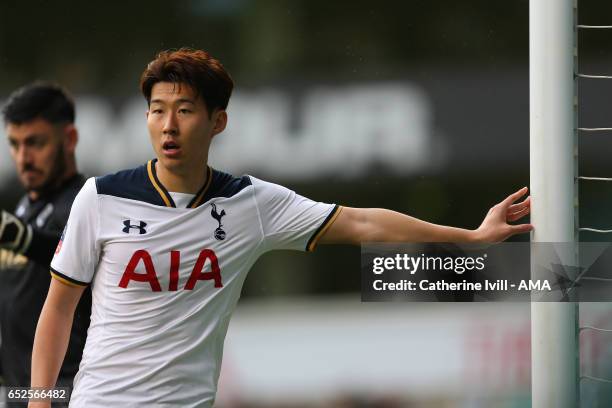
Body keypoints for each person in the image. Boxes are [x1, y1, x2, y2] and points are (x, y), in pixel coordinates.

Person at [29, 49, 532, 407]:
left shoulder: (252, 204)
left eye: (184, 111)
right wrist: (38, 403)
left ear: (217, 121)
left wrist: (468, 236)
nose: (168, 126)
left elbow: (360, 222)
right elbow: (58, 309)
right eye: (157, 111)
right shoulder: (101, 198)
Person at [0, 83, 91, 406]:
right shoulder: (24, 210)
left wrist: (15, 235)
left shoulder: (87, 205)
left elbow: (65, 251)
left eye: (35, 143)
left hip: (68, 392)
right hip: (20, 395)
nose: (23, 158)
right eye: (14, 144)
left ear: (69, 139)